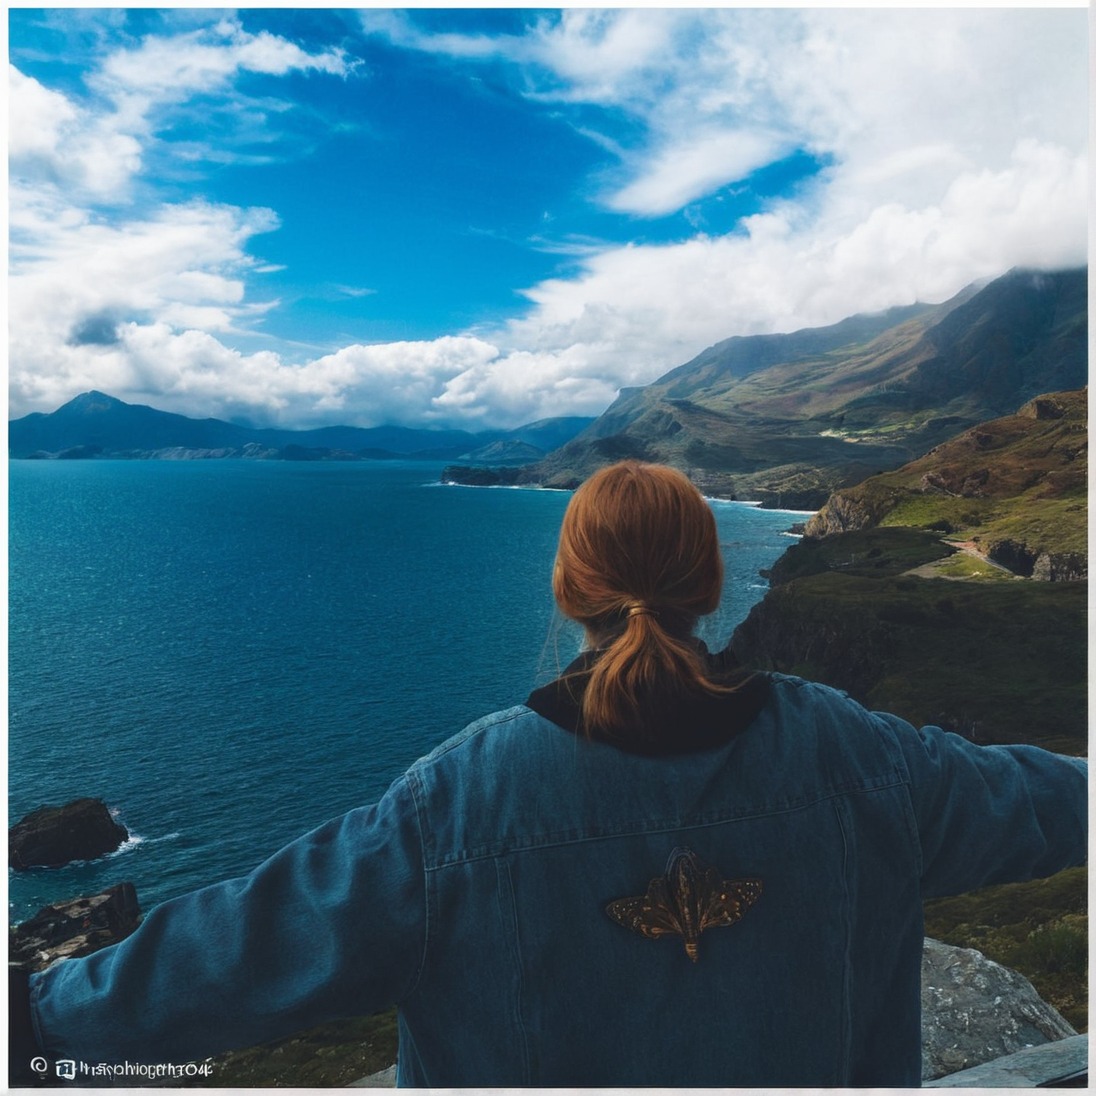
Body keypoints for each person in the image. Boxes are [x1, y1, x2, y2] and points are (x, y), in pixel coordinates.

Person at [11, 460, 1087, 1087]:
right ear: (708, 584)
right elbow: (1045, 802)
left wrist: (41, 1009)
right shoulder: (865, 758)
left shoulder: (461, 800)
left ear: (568, 586)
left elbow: (244, 950)